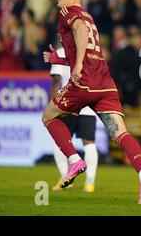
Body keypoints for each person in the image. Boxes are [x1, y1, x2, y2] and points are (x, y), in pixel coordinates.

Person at [42, 0, 141, 204]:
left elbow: (81, 32)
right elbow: (87, 47)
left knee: (48, 116)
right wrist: (60, 59)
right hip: (105, 84)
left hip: (84, 82)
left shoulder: (68, 11)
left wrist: (76, 66)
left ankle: (74, 160)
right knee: (120, 133)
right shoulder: (88, 15)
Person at [49, 45, 98, 193]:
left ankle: (66, 178)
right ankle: (90, 182)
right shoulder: (92, 52)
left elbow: (56, 81)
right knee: (89, 143)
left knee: (60, 142)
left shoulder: (61, 52)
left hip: (68, 103)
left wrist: (53, 104)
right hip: (89, 104)